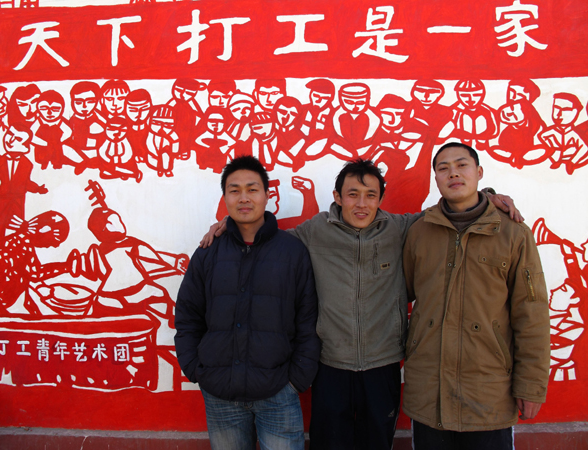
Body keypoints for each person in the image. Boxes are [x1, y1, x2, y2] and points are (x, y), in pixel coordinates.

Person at [201, 158, 521, 450]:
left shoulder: (402, 229)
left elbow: (452, 211)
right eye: (352, 194)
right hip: (329, 365)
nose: (362, 204)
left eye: (370, 195)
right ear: (338, 197)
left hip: (382, 365)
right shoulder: (315, 231)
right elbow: (270, 240)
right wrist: (230, 228)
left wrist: (488, 195)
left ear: (380, 199)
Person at [402, 142, 550, 450]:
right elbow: (403, 292)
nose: (453, 173)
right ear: (435, 178)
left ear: (479, 172)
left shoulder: (513, 233)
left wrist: (532, 384)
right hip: (430, 394)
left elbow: (532, 312)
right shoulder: (419, 231)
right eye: (443, 168)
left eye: (462, 165)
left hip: (488, 394)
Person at [175, 155, 320, 450]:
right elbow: (188, 315)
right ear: (225, 197)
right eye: (234, 189)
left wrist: (296, 380)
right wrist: (196, 369)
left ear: (267, 195)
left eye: (252, 189)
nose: (244, 197)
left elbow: (308, 320)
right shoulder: (207, 252)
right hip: (220, 394)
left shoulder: (292, 252)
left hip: (278, 392)